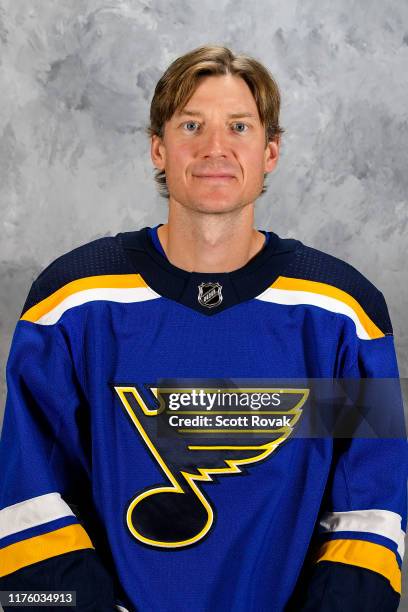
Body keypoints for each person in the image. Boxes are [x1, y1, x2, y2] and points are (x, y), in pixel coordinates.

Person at [0, 44, 406, 612]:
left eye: (238, 127)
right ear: (158, 150)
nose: (216, 147)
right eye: (192, 124)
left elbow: (370, 505)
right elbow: (29, 498)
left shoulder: (340, 312)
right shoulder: (74, 302)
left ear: (270, 152)